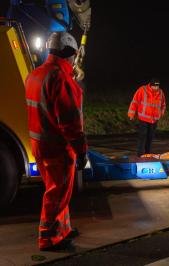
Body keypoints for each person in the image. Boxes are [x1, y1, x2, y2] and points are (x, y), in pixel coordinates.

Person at [25, 32, 88, 251]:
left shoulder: (35, 74)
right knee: (57, 192)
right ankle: (48, 237)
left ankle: (63, 230)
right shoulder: (60, 79)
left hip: (39, 144)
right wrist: (81, 151)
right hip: (57, 148)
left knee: (58, 190)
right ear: (69, 54)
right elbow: (70, 122)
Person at [128, 78, 166, 157]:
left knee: (150, 137)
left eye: (157, 86)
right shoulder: (142, 90)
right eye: (154, 86)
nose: (156, 88)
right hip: (143, 118)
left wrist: (161, 113)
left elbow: (163, 104)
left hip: (154, 119)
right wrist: (131, 114)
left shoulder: (161, 92)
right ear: (150, 85)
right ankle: (140, 155)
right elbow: (135, 101)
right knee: (142, 136)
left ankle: (147, 154)